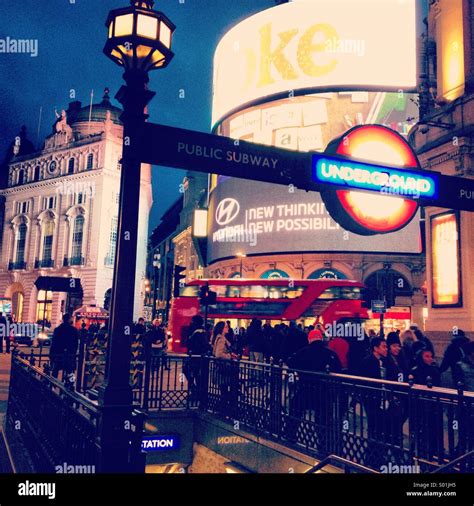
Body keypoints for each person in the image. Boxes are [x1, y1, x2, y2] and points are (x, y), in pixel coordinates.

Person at [50, 313, 79, 383]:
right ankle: (71, 385)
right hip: (69, 353)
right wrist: (74, 352)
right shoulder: (74, 330)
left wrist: (51, 353)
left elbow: (54, 342)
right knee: (70, 372)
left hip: (59, 352)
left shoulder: (58, 329)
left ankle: (52, 385)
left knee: (55, 370)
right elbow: (76, 343)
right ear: (69, 319)